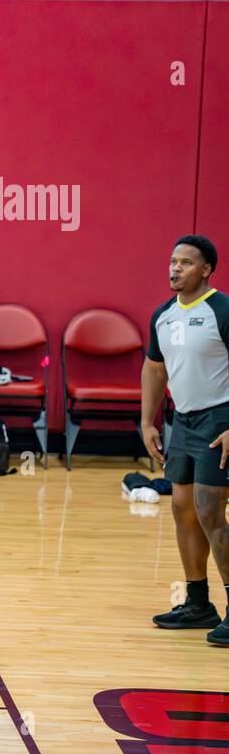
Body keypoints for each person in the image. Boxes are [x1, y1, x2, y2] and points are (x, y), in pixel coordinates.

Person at [142, 235, 229, 647]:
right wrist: (148, 422)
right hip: (184, 421)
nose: (175, 269)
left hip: (221, 419)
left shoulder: (222, 310)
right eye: (173, 261)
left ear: (206, 270)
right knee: (182, 509)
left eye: (186, 263)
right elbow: (154, 370)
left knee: (211, 511)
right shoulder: (163, 315)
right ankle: (198, 603)